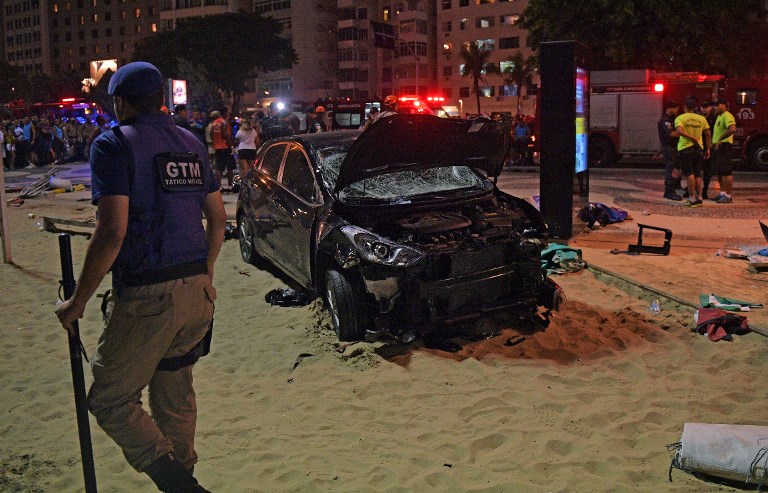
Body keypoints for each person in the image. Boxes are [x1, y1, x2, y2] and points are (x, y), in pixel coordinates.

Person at [55, 61, 226, 493]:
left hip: (150, 293)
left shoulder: (114, 145)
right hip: (198, 293)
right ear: (162, 99)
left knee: (110, 399)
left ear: (121, 101)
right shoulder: (190, 142)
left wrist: (77, 300)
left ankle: (181, 487)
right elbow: (218, 219)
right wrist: (205, 272)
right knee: (174, 397)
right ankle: (181, 476)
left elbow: (113, 232)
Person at [674, 96, 711, 207]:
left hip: (685, 148)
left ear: (685, 107)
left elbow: (679, 131)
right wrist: (708, 148)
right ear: (695, 108)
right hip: (699, 148)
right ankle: (700, 197)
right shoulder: (702, 119)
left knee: (689, 173)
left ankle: (691, 198)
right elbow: (708, 134)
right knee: (698, 173)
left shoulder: (681, 118)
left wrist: (690, 137)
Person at [711, 98, 737, 204]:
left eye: (718, 105)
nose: (716, 107)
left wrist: (721, 139)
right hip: (718, 147)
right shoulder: (719, 116)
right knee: (720, 172)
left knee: (726, 171)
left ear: (724, 105)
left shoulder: (727, 115)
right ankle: (722, 193)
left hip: (725, 146)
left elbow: (732, 129)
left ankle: (728, 195)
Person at [658, 101, 681, 200]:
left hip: (670, 147)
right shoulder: (666, 120)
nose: (677, 111)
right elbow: (671, 134)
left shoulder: (670, 119)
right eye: (675, 108)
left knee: (672, 167)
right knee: (670, 168)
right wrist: (684, 133)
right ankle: (670, 191)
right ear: (669, 108)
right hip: (669, 147)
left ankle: (669, 191)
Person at [210, 107, 235, 188]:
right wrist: (231, 145)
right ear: (225, 113)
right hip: (225, 147)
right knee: (230, 166)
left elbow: (211, 134)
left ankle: (219, 186)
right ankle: (230, 185)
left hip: (217, 147)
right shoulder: (224, 122)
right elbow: (226, 134)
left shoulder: (214, 123)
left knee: (218, 167)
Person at [699, 101, 718, 199]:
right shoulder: (697, 118)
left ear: (711, 108)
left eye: (706, 107)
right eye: (703, 106)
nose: (704, 109)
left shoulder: (714, 119)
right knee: (696, 170)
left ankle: (705, 191)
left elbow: (711, 134)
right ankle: (694, 190)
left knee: (707, 171)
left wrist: (709, 147)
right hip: (698, 146)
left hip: (708, 147)